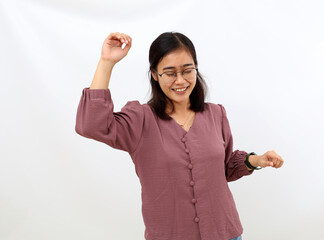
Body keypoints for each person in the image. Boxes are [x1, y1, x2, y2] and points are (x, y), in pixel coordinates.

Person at [75, 32, 284, 240]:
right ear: (155, 75)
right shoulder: (140, 119)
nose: (180, 80)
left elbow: (225, 167)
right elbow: (92, 125)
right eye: (170, 73)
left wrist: (257, 160)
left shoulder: (216, 114)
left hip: (225, 234)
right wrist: (106, 62)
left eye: (187, 70)